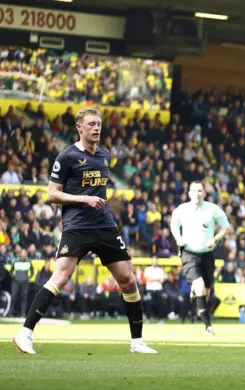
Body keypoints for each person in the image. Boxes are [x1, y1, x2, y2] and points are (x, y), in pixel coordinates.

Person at [12, 108, 157, 355]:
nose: (97, 128)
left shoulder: (104, 155)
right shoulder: (66, 157)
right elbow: (52, 194)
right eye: (91, 124)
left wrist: (98, 201)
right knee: (60, 278)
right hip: (77, 226)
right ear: (79, 127)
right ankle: (24, 333)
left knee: (128, 279)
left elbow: (98, 192)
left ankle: (137, 342)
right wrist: (84, 199)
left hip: (104, 225)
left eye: (99, 124)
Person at [170, 181, 230, 334]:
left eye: (200, 190)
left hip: (207, 254)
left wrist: (215, 239)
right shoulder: (181, 210)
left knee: (206, 292)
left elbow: (225, 227)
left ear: (204, 193)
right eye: (194, 190)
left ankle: (197, 298)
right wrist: (178, 238)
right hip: (189, 253)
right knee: (200, 286)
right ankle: (208, 326)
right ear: (189, 193)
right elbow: (174, 226)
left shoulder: (213, 209)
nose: (197, 193)